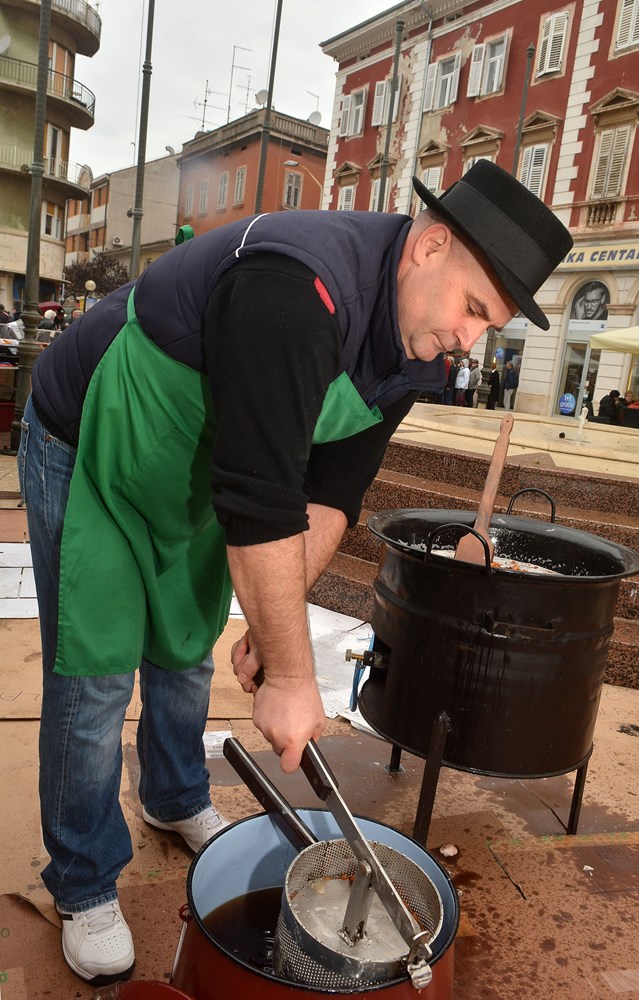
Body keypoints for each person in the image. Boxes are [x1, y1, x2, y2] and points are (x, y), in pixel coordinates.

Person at [16, 159, 572, 984]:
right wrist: (287, 673)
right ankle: (85, 881)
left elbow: (331, 490)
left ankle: (174, 796)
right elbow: (261, 496)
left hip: (200, 469)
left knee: (186, 644)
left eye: (489, 325)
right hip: (92, 439)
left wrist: (275, 631)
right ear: (430, 247)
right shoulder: (293, 286)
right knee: (93, 674)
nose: (469, 340)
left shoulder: (413, 354)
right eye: (472, 308)